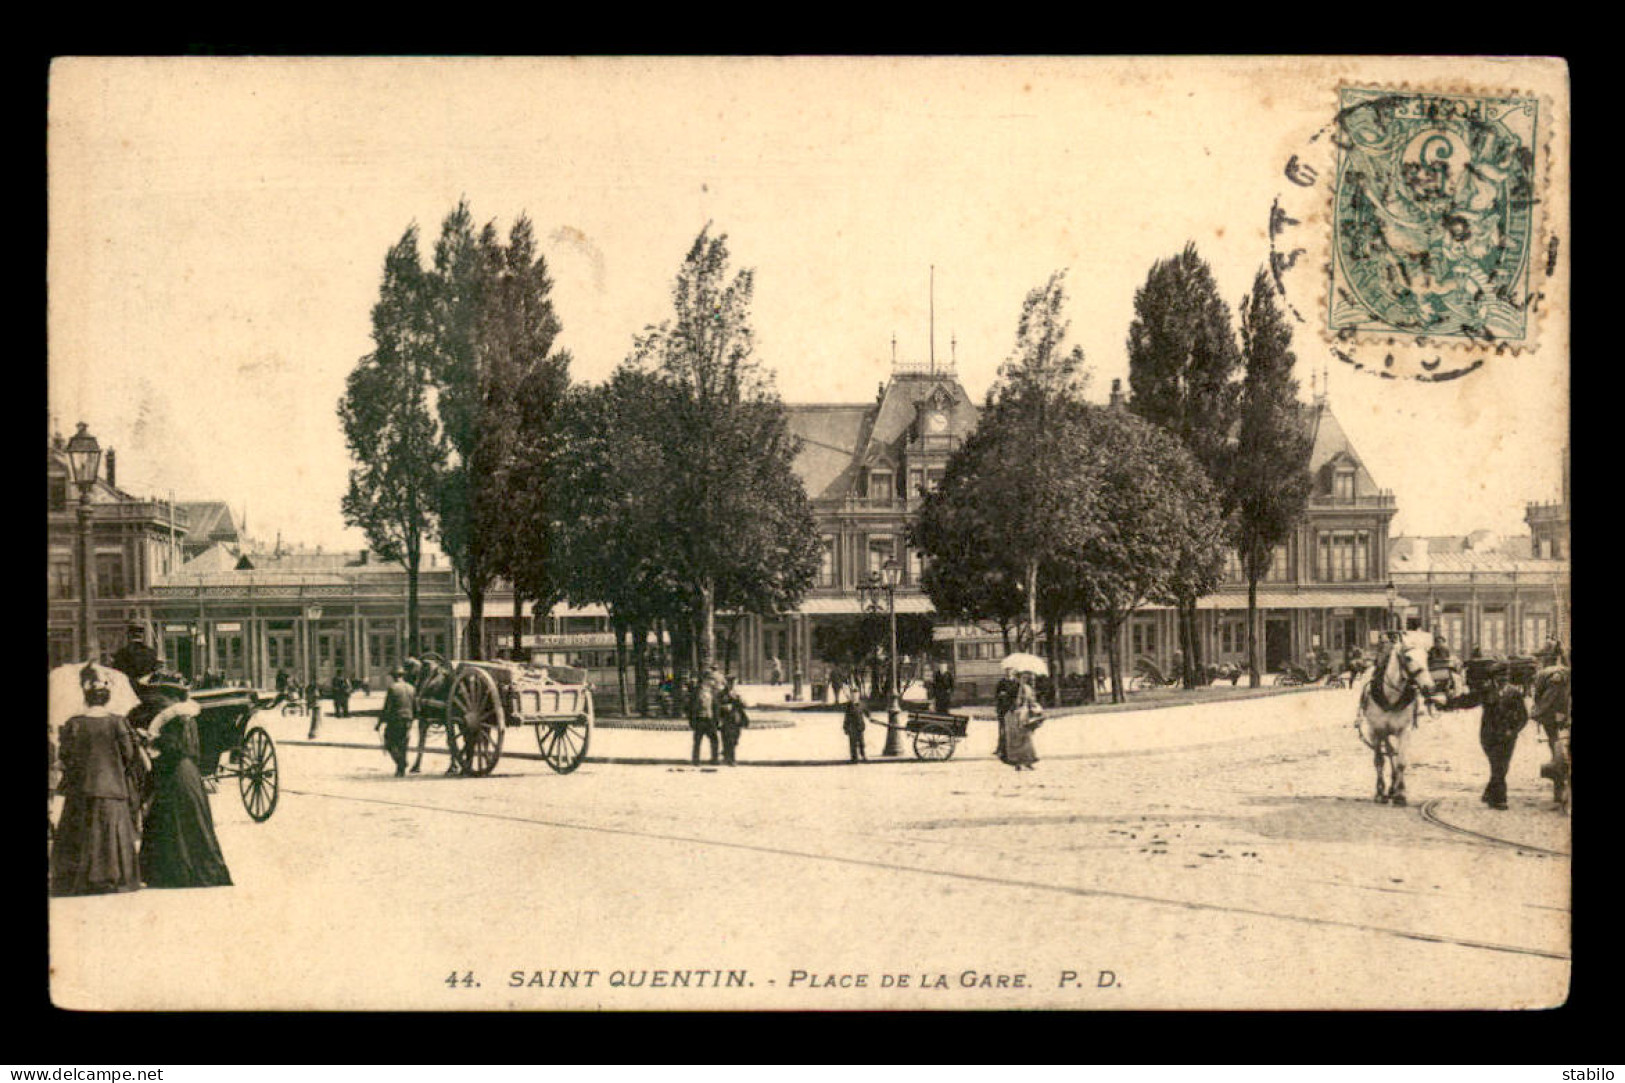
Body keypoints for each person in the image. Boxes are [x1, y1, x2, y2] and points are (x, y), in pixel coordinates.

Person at [51, 665, 145, 897]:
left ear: (86, 697)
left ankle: (81, 878)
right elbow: (129, 755)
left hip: (82, 789)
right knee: (114, 832)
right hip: (112, 787)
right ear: (106, 699)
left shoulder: (75, 723)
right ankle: (114, 876)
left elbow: (66, 756)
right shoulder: (118, 722)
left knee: (79, 831)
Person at [139, 680, 232, 889]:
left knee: (171, 820)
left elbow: (172, 747)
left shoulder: (173, 720)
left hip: (174, 774)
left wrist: (152, 742)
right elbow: (192, 750)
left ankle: (174, 873)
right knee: (194, 820)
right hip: (189, 772)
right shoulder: (189, 719)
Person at [1447, 661, 1528, 811]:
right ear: (1494, 677)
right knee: (1498, 766)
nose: (1503, 679)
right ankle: (1499, 800)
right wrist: (1448, 704)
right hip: (1489, 736)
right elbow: (1468, 701)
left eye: (1505, 676)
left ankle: (1492, 795)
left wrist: (1514, 731)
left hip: (1508, 737)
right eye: (1499, 676)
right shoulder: (1486, 691)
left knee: (1501, 767)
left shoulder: (1515, 693)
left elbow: (1523, 716)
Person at [1531, 661, 1571, 806]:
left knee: (1554, 742)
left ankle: (1559, 784)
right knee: (1556, 743)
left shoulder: (1548, 676)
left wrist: (1537, 712)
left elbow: (1546, 698)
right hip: (1558, 710)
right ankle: (1559, 785)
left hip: (1553, 711)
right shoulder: (1556, 674)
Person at [377, 666, 416, 777]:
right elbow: (416, 707)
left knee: (389, 741)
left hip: (396, 718)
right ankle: (400, 770)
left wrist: (379, 723)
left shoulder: (393, 688)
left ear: (394, 676)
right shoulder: (411, 688)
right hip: (408, 718)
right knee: (403, 743)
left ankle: (401, 762)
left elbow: (387, 707)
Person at [1002, 670, 1043, 771]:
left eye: (1026, 678)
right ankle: (1017, 761)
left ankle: (1028, 760)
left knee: (1025, 737)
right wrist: (1013, 702)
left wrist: (1030, 704)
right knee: (1015, 738)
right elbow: (1006, 700)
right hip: (1013, 714)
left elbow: (1032, 701)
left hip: (1023, 713)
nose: (1024, 679)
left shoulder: (1027, 688)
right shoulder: (1012, 688)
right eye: (1022, 677)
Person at [689, 670, 721, 766]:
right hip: (700, 719)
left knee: (714, 740)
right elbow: (691, 707)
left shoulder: (713, 692)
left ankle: (714, 759)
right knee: (698, 740)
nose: (713, 681)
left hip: (710, 719)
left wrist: (716, 719)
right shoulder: (697, 691)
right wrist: (692, 720)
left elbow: (716, 706)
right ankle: (696, 760)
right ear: (705, 680)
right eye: (710, 679)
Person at [718, 676, 749, 766]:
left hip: (736, 719)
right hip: (726, 719)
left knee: (735, 739)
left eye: (733, 683)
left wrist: (741, 700)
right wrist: (724, 707)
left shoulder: (737, 693)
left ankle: (726, 753)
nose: (731, 685)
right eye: (729, 683)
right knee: (728, 739)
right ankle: (731, 759)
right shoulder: (721, 694)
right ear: (726, 683)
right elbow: (716, 706)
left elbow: (745, 705)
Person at [994, 666, 1020, 762]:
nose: (1008, 673)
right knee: (1002, 729)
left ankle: (1012, 749)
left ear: (1013, 672)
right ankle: (1000, 749)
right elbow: (996, 695)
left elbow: (1018, 696)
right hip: (1002, 708)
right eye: (1007, 671)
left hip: (1012, 708)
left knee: (1012, 729)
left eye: (1010, 671)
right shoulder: (1001, 683)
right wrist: (1000, 695)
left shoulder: (1016, 683)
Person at [842, 683, 869, 763]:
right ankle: (854, 758)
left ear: (858, 695)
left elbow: (867, 712)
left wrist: (869, 716)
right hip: (852, 727)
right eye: (853, 695)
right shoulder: (849, 706)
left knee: (861, 742)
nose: (854, 696)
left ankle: (863, 755)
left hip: (860, 726)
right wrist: (845, 727)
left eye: (856, 695)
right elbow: (846, 717)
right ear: (851, 696)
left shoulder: (861, 704)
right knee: (853, 743)